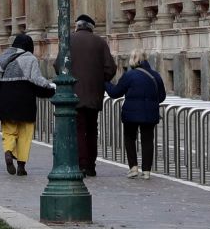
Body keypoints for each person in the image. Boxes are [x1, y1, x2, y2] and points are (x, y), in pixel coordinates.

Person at [0, 33, 55, 176]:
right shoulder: (30, 59)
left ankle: (8, 152)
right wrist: (51, 88)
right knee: (25, 133)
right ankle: (21, 165)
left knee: (9, 131)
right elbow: (37, 79)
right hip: (25, 101)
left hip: (5, 100)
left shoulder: (3, 57)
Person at [105, 50, 166, 180]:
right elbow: (162, 96)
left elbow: (115, 93)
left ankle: (133, 167)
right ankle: (146, 171)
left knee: (130, 138)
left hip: (131, 114)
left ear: (133, 59)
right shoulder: (155, 75)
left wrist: (105, 83)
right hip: (150, 113)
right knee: (148, 140)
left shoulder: (129, 75)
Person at [69, 13, 116, 177]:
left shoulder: (68, 40)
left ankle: (81, 163)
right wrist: (99, 80)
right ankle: (91, 165)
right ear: (91, 27)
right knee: (92, 129)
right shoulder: (100, 42)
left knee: (79, 129)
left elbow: (58, 65)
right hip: (94, 95)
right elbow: (110, 68)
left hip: (73, 94)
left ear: (77, 26)